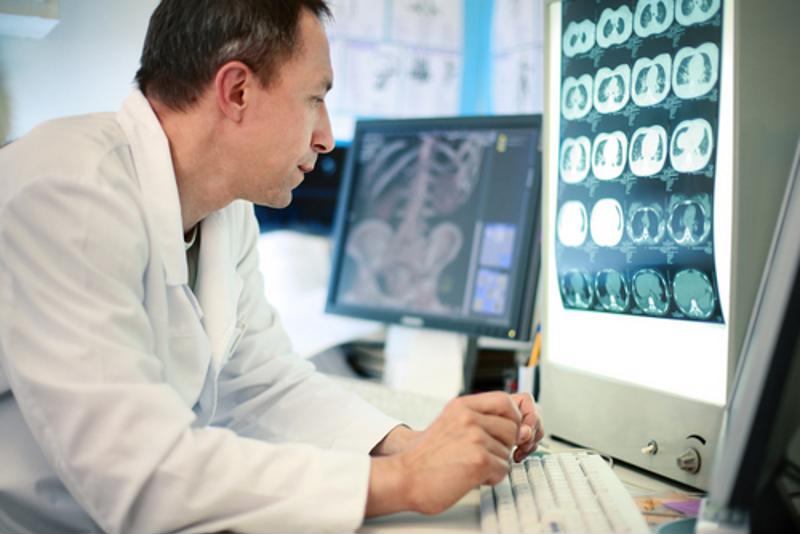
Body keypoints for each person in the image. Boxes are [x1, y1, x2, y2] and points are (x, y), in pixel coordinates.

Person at [0, 1, 544, 532]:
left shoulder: (224, 210)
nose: (327, 137)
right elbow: (137, 474)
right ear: (237, 91)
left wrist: (416, 444)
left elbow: (263, 385)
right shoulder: (67, 190)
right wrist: (403, 480)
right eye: (315, 99)